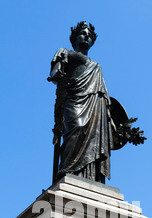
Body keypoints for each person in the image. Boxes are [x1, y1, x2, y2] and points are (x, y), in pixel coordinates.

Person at [49, 21, 114, 184]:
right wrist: (61, 79)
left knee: (94, 140)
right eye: (82, 33)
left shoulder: (96, 66)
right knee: (76, 129)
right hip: (75, 100)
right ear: (74, 37)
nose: (86, 36)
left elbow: (103, 94)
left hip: (96, 106)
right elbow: (56, 75)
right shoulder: (66, 52)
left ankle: (90, 177)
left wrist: (110, 119)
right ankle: (68, 171)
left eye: (89, 35)